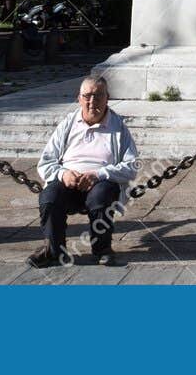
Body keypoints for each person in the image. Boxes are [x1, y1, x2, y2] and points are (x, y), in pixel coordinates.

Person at [31, 75, 139, 267]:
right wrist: (63, 174)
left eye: (98, 96)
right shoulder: (67, 125)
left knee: (101, 196)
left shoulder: (119, 129)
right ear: (78, 98)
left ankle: (102, 250)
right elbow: (45, 162)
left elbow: (131, 166)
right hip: (68, 182)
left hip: (100, 183)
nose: (92, 101)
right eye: (87, 96)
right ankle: (54, 251)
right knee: (49, 197)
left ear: (107, 98)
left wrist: (98, 174)